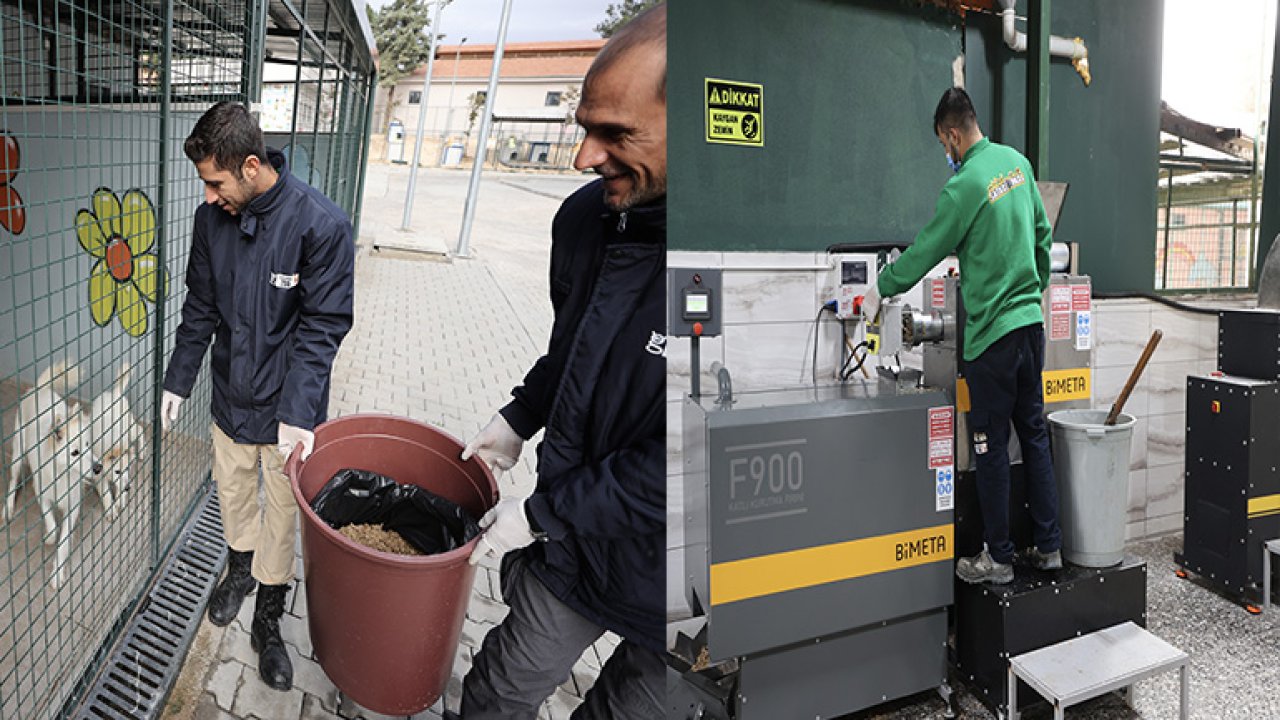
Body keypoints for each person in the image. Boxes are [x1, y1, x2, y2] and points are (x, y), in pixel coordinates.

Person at [448, 5, 667, 718]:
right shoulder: (583, 221)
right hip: (574, 554)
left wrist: (540, 513)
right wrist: (521, 414)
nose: (584, 157)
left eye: (617, 134)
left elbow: (693, 466)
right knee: (494, 695)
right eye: (584, 128)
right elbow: (575, 351)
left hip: (687, 581)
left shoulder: (750, 267)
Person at [159, 102, 355, 690]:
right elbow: (200, 308)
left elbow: (323, 327)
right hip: (229, 400)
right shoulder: (209, 221)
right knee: (235, 497)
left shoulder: (320, 225)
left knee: (281, 515)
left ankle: (268, 619)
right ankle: (238, 574)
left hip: (284, 415)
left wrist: (298, 414)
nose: (211, 196)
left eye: (216, 183)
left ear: (250, 166)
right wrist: (178, 378)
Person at [863, 87, 1061, 585]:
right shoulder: (1017, 164)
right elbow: (1042, 238)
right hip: (1029, 328)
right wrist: (1032, 291)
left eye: (943, 145)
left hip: (992, 338)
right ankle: (1050, 547)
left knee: (989, 443)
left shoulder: (965, 185)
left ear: (952, 133)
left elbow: (926, 249)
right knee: (1034, 435)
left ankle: (998, 557)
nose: (945, 155)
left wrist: (879, 289)